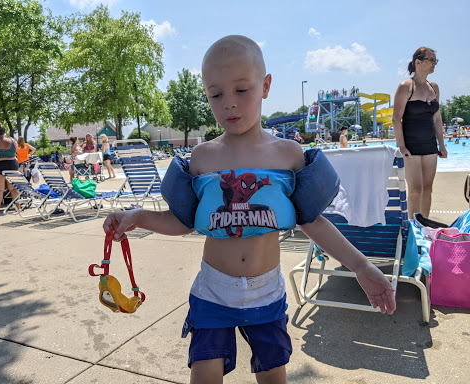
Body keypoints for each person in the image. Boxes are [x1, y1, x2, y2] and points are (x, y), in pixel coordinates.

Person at [102, 35, 395, 383]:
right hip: (212, 289)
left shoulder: (288, 155)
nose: (229, 104)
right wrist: (136, 216)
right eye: (216, 94)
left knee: (273, 377)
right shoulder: (202, 158)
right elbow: (182, 222)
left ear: (266, 86)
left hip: (266, 291)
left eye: (242, 90)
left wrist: (361, 266)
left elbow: (312, 222)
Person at [392, 47, 447, 219]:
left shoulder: (434, 87)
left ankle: (425, 224)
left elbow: (437, 119)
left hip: (430, 145)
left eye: (435, 60)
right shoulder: (406, 87)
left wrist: (442, 145)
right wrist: (402, 147)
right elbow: (396, 119)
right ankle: (413, 228)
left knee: (428, 188)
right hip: (411, 145)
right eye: (431, 60)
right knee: (415, 189)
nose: (435, 64)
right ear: (418, 62)